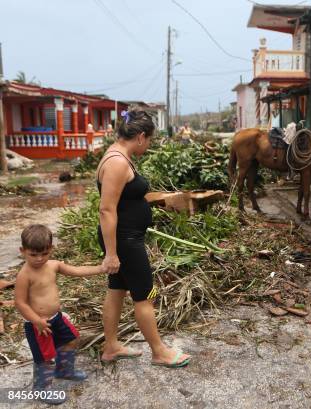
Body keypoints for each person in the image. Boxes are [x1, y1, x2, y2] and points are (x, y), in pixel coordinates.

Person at [96, 108, 191, 367]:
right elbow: (106, 209)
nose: (148, 145)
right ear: (140, 136)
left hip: (124, 238)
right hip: (124, 241)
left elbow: (124, 199)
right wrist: (112, 253)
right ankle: (159, 352)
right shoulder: (116, 162)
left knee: (116, 290)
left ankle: (111, 346)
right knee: (145, 294)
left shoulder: (118, 156)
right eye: (149, 140)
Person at [14, 224, 106, 405]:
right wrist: (36, 321)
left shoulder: (53, 265)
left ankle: (64, 370)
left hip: (56, 317)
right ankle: (42, 387)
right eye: (33, 254)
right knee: (45, 356)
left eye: (44, 253)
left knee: (71, 339)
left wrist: (100, 268)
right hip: (38, 324)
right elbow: (20, 303)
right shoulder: (24, 275)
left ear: (51, 249)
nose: (39, 259)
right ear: (22, 251)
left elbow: (77, 271)